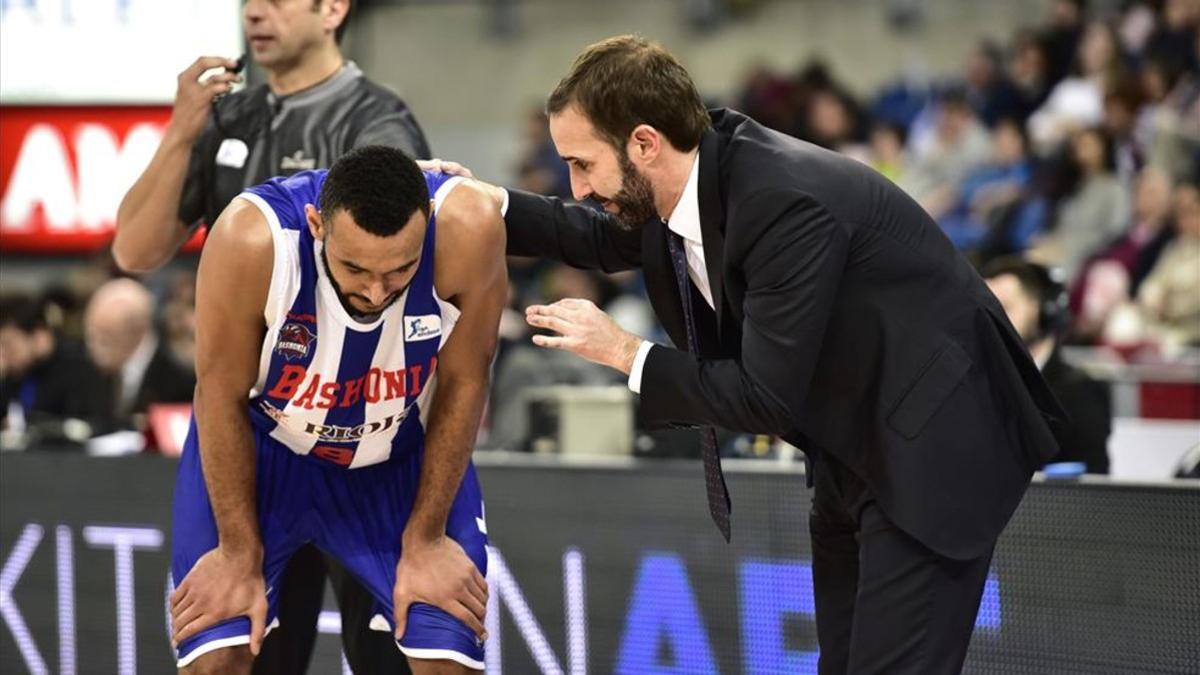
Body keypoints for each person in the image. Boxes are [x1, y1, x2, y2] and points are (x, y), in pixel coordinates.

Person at [455, 35, 1064, 673]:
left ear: (644, 143)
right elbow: (597, 234)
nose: (577, 187)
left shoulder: (780, 200)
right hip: (852, 445)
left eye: (583, 165)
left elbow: (764, 395)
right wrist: (486, 205)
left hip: (934, 442)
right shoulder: (697, 177)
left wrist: (626, 352)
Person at [114, 2, 432, 671]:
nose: (256, 10)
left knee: (393, 652)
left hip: (359, 432)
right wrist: (183, 129)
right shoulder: (231, 117)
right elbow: (136, 248)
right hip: (255, 432)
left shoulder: (376, 119)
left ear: (333, 10)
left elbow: (391, 276)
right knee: (248, 652)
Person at [168, 146, 505, 674]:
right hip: (265, 455)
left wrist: (428, 537)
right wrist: (236, 551)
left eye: (400, 270)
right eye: (355, 268)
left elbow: (466, 380)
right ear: (316, 225)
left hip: (396, 459)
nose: (376, 290)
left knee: (449, 660)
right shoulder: (251, 238)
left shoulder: (469, 226)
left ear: (429, 226)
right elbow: (218, 393)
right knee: (217, 657)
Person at [983, 258, 1111, 474]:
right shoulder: (976, 384)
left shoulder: (1080, 392)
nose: (993, 320)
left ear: (1044, 313)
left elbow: (1094, 491)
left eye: (1005, 307)